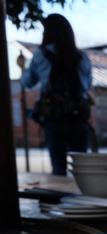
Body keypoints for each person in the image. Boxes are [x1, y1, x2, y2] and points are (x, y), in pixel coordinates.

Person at [22, 13, 92, 176]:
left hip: (54, 116)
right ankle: (84, 199)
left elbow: (28, 82)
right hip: (78, 115)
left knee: (58, 167)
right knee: (81, 167)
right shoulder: (82, 57)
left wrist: (22, 66)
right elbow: (87, 85)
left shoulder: (41, 55)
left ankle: (60, 198)